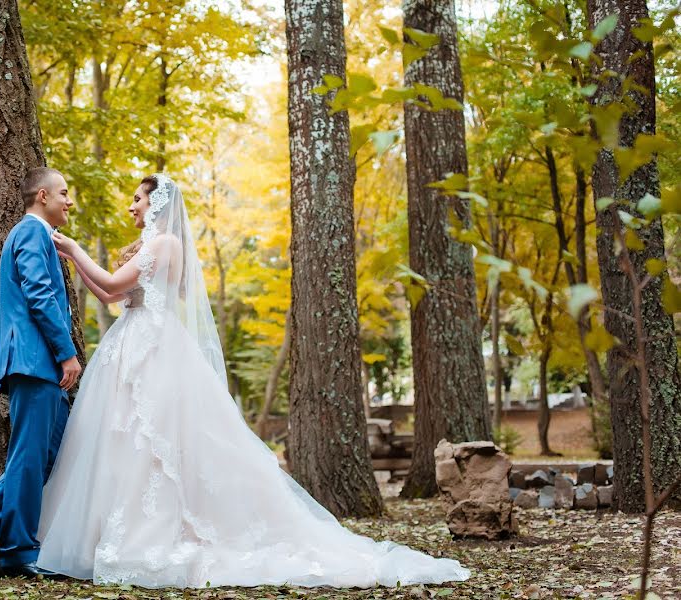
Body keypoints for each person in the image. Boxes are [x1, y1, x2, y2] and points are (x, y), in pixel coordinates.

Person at [36, 173, 471, 588]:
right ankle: (119, 528)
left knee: (154, 436)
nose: (132, 205)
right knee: (129, 437)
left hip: (155, 348)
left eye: (138, 198)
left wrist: (74, 248)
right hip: (131, 341)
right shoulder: (148, 245)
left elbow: (112, 281)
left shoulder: (166, 243)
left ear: (158, 205)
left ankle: (157, 532)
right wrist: (77, 262)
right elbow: (111, 294)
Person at [0, 167, 81, 579]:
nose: (68, 201)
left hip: (37, 364)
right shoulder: (31, 232)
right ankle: (16, 548)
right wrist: (66, 353)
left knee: (50, 451)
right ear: (42, 196)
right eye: (63, 193)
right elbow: (39, 295)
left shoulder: (38, 235)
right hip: (35, 361)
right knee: (29, 454)